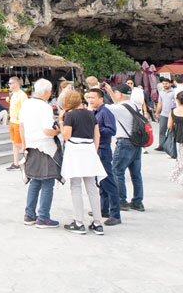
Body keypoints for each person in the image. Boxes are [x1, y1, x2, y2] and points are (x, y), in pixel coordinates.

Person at [59, 90, 107, 235]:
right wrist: (94, 150)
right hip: (89, 149)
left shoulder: (70, 115)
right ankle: (98, 222)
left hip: (75, 150)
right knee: (92, 186)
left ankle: (79, 221)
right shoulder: (90, 114)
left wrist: (61, 121)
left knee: (76, 186)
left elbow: (66, 135)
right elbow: (96, 135)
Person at [20, 79, 63, 229]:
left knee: (35, 181)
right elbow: (47, 130)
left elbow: (22, 125)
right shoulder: (45, 107)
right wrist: (59, 130)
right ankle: (43, 217)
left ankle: (29, 214)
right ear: (46, 92)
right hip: (45, 146)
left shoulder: (26, 103)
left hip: (31, 145)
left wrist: (24, 145)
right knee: (47, 182)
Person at [87, 88, 120, 226]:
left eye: (93, 97)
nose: (90, 100)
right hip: (96, 149)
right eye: (89, 97)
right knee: (100, 181)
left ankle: (115, 214)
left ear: (101, 99)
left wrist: (96, 129)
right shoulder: (95, 112)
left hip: (104, 150)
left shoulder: (105, 112)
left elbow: (112, 130)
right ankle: (104, 208)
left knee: (108, 181)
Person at [108, 83, 144, 212]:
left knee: (117, 171)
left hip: (124, 143)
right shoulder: (135, 105)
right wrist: (110, 91)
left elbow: (103, 107)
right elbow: (116, 104)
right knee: (136, 174)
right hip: (136, 142)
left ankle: (121, 200)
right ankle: (138, 201)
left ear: (119, 94)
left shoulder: (119, 108)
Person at [6, 77, 27, 171]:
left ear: (16, 84)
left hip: (19, 122)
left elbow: (25, 108)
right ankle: (16, 163)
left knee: (19, 143)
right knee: (14, 142)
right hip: (13, 121)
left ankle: (27, 159)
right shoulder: (13, 94)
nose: (9, 85)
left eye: (10, 83)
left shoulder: (22, 95)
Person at [155, 79, 176, 152]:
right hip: (163, 114)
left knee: (172, 130)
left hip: (173, 114)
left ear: (170, 84)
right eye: (163, 84)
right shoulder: (161, 92)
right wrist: (157, 112)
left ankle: (171, 146)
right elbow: (160, 103)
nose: (165, 85)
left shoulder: (174, 92)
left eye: (166, 83)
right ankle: (162, 145)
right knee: (162, 130)